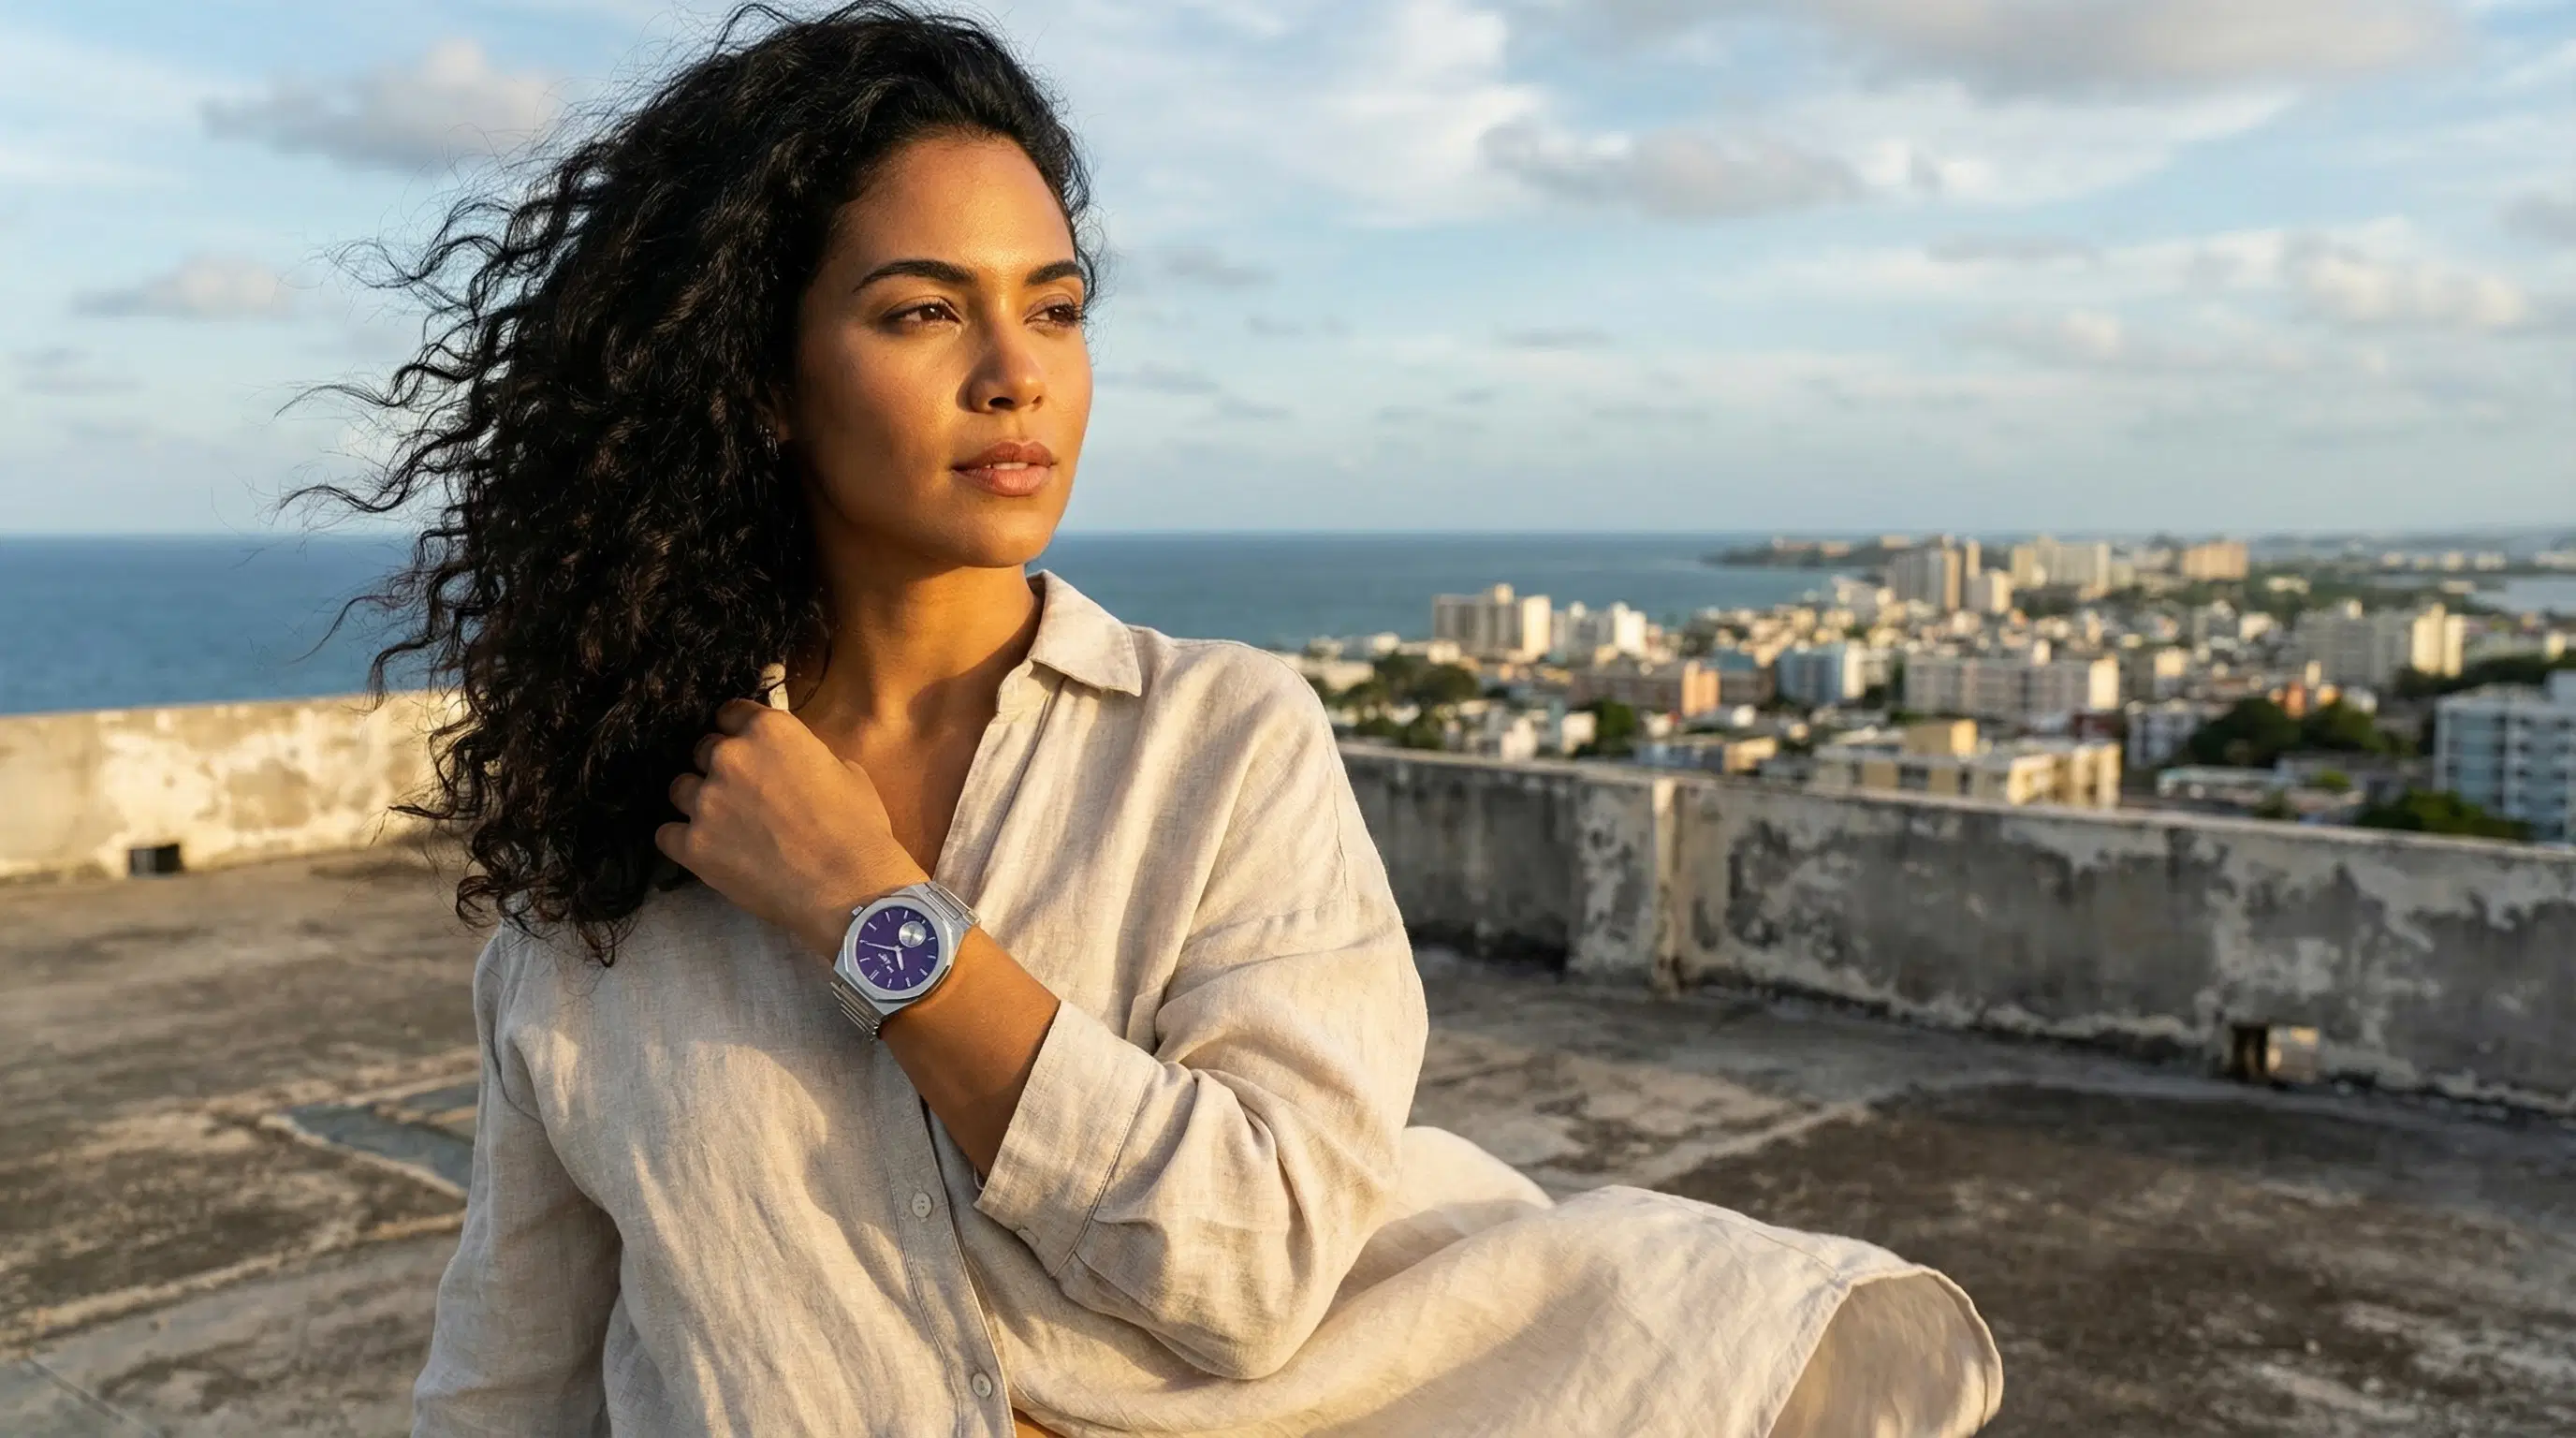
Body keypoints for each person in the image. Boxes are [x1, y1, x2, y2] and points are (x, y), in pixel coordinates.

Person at [318, 5, 2001, 1433]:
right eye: (924, 310)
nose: (1017, 373)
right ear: (760, 379)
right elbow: (509, 1375)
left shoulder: (1217, 743)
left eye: (1053, 306)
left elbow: (1257, 1262)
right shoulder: (618, 859)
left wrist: (869, 917)